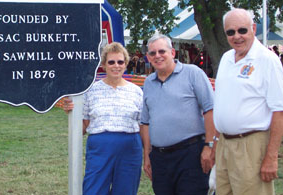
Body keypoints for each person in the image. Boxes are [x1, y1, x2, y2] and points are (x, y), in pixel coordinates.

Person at [213, 8, 283, 195]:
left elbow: (280, 111)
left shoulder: (267, 60)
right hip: (224, 144)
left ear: (253, 28)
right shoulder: (227, 58)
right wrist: (215, 142)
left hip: (251, 145)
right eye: (230, 32)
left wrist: (271, 157)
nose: (237, 36)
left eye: (242, 30)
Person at [64, 42, 143, 195]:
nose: (116, 66)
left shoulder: (136, 92)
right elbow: (84, 126)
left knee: (125, 191)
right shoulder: (90, 90)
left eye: (120, 62)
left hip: (130, 148)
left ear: (126, 64)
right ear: (104, 65)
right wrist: (72, 113)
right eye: (111, 62)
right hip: (100, 147)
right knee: (94, 190)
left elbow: (143, 125)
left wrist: (148, 153)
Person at [140, 34, 215, 195]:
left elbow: (210, 110)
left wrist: (209, 146)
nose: (157, 56)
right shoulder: (148, 83)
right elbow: (145, 122)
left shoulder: (193, 73)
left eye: (162, 51)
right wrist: (147, 155)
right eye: (152, 53)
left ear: (172, 53)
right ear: (148, 57)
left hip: (191, 154)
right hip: (160, 159)